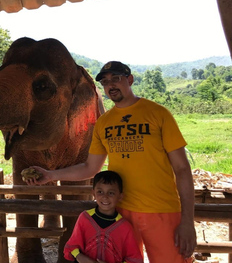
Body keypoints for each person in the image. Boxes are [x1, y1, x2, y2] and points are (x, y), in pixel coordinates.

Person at [25, 61, 196, 263]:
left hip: (161, 210)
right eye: (106, 82)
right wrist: (51, 175)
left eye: (116, 78)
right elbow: (91, 167)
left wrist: (187, 221)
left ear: (130, 80)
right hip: (121, 214)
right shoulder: (104, 123)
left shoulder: (158, 114)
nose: (111, 85)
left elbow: (183, 169)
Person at [63, 170, 143, 263]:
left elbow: (133, 259)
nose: (105, 197)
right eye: (100, 192)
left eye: (111, 193)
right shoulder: (85, 218)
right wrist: (80, 257)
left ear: (120, 196)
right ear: (93, 193)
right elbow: (72, 246)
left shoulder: (125, 227)